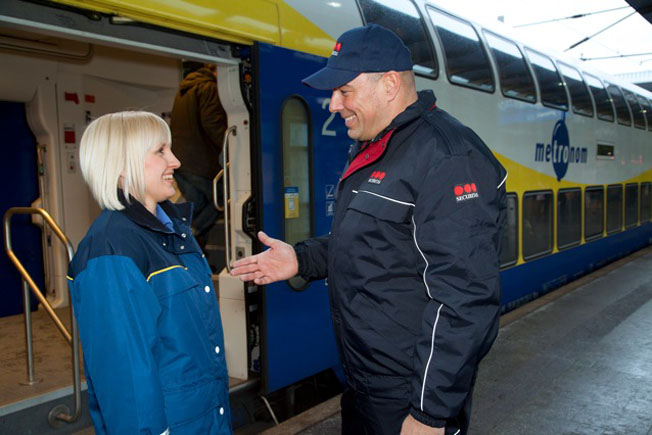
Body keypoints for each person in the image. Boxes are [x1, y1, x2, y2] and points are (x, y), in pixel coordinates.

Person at [231, 24, 507, 435]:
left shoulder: (448, 158)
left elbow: (465, 299)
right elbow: (372, 244)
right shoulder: (376, 149)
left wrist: (430, 413)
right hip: (365, 383)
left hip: (410, 391)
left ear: (390, 84)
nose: (333, 105)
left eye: (345, 91)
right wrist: (301, 259)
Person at [68, 111, 232, 434]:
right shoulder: (111, 249)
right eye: (160, 151)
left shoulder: (172, 230)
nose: (175, 161)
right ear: (122, 164)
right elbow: (124, 377)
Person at [171, 62, 227, 249]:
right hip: (198, 161)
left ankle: (187, 241)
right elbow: (212, 123)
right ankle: (189, 234)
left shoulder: (184, 91)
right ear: (216, 71)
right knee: (219, 198)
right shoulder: (208, 88)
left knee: (197, 204)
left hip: (181, 160)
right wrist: (232, 146)